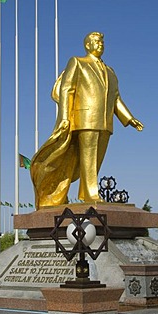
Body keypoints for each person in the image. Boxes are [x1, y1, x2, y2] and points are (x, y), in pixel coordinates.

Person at [30, 32, 143, 209]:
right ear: (87, 45)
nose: (100, 44)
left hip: (105, 122)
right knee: (88, 157)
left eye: (102, 42)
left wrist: (129, 118)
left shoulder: (111, 72)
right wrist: (65, 117)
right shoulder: (77, 62)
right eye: (96, 42)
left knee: (96, 160)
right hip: (84, 119)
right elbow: (66, 89)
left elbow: (116, 98)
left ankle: (86, 192)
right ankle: (91, 193)